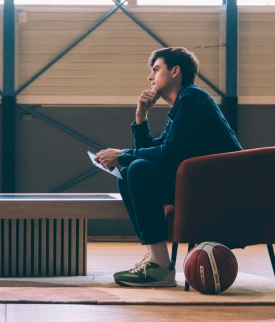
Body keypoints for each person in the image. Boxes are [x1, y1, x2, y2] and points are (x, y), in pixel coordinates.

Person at [94, 47, 242, 287]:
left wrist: (121, 154)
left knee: (137, 169)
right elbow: (157, 152)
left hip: (221, 187)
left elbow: (167, 154)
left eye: (156, 69)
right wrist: (141, 116)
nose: (150, 77)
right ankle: (156, 258)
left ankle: (160, 268)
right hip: (200, 183)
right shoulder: (182, 106)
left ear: (175, 71)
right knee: (129, 173)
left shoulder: (193, 98)